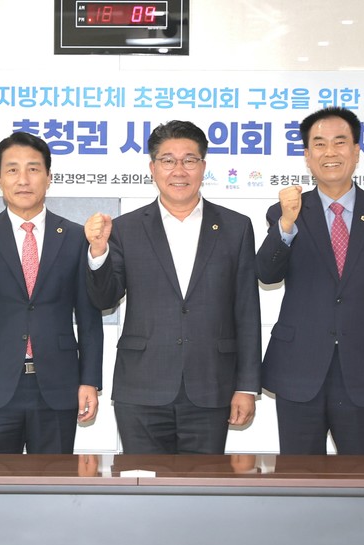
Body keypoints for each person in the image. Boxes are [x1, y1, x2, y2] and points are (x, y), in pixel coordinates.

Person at [84, 120, 261, 455]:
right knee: (142, 483)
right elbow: (104, 298)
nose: (179, 170)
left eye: (189, 160)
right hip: (141, 387)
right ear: (153, 168)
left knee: (203, 484)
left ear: (203, 167)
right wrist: (98, 253)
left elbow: (247, 311)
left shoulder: (235, 227)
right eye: (168, 160)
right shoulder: (125, 228)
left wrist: (247, 386)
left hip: (212, 386)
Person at [256, 106, 364, 455]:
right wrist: (286, 224)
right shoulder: (286, 211)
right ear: (307, 155)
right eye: (319, 144)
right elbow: (266, 274)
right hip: (299, 369)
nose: (330, 152)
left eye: (340, 142)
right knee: (299, 479)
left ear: (356, 151)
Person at [0, 131, 103, 454]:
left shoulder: (74, 237)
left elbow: (89, 318)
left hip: (57, 385)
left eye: (33, 169)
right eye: (12, 170)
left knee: (54, 479)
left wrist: (89, 381)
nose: (23, 179)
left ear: (49, 177)